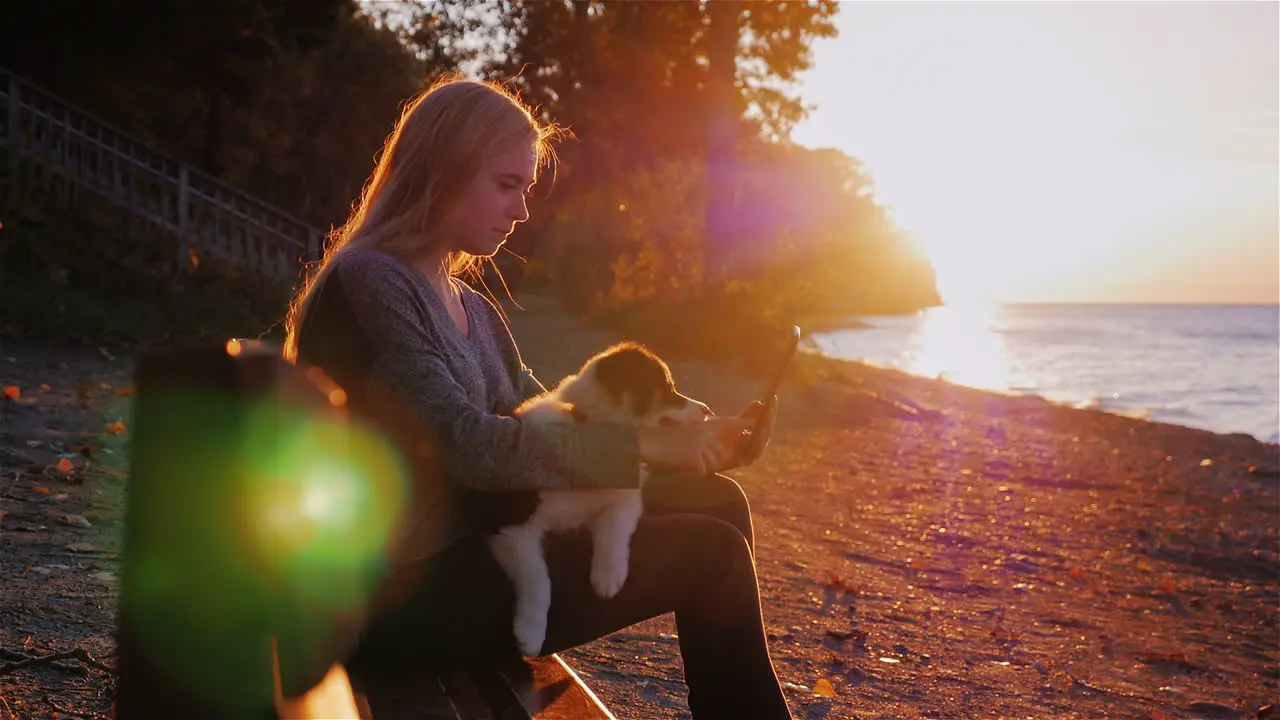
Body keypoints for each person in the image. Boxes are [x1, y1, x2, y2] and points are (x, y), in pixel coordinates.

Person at [283, 74, 794, 719]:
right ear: (441, 171)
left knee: (716, 499)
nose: (520, 211)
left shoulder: (470, 305)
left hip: (470, 553)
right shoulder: (375, 282)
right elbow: (473, 449)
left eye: (523, 190)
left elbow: (549, 422)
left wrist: (695, 445)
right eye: (506, 186)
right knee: (709, 556)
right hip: (400, 595)